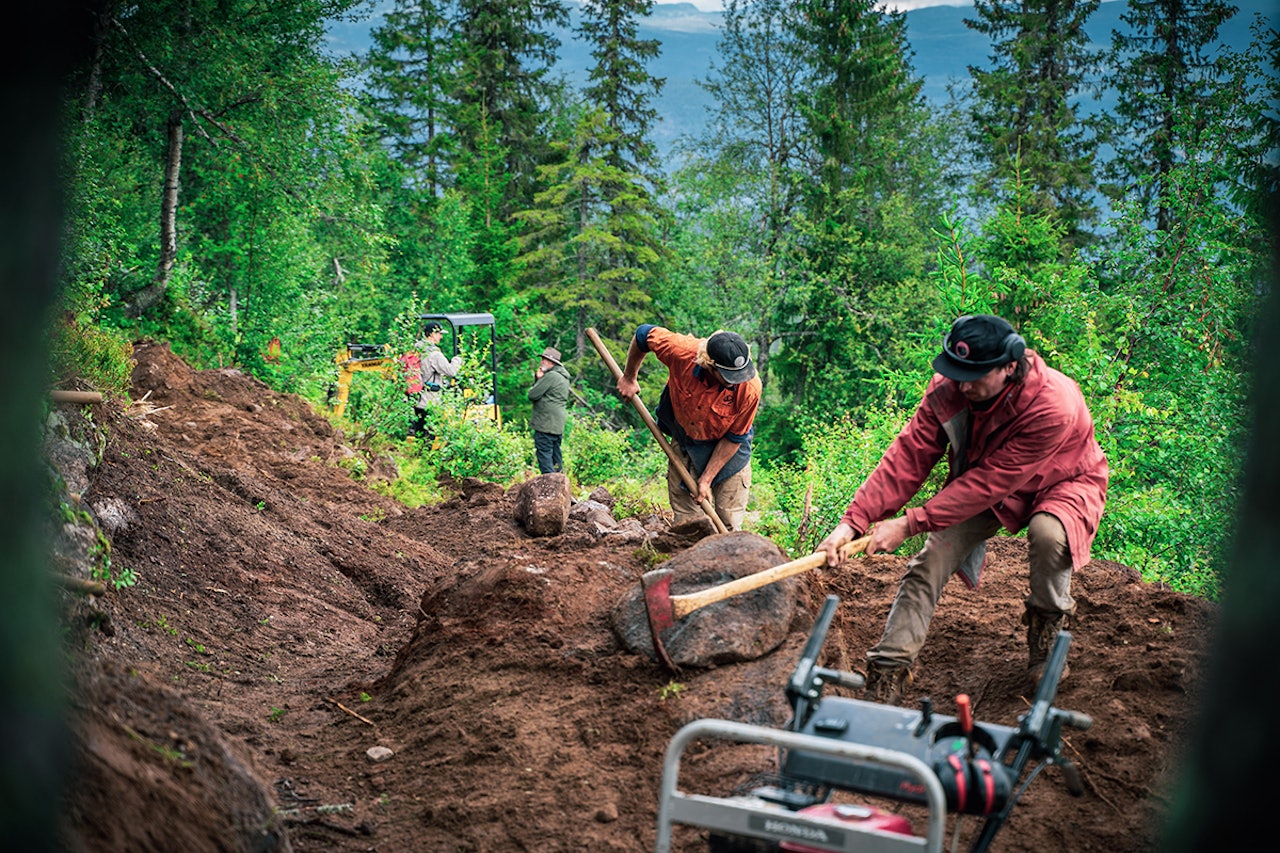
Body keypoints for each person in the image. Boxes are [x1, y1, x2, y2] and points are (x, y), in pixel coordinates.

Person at [817, 314, 1109, 705]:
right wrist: (852, 523)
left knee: (1049, 534)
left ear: (1009, 366)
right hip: (983, 482)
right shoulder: (952, 386)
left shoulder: (1054, 404)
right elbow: (909, 456)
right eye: (957, 373)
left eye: (974, 376)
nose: (964, 385)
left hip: (1062, 479)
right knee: (931, 561)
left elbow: (991, 481)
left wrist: (910, 523)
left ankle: (1046, 634)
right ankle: (888, 672)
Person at [618, 325, 762, 532]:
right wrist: (629, 377)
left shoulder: (750, 387)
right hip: (686, 441)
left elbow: (735, 437)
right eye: (730, 377)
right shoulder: (682, 351)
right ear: (710, 365)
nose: (737, 382)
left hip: (729, 450)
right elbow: (643, 335)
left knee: (728, 523)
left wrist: (706, 479)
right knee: (688, 525)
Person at [410, 321, 462, 437]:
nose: (441, 337)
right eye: (439, 334)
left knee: (418, 434)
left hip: (416, 399)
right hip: (430, 401)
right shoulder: (434, 354)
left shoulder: (415, 349)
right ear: (432, 334)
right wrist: (457, 360)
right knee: (429, 436)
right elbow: (451, 371)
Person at [528, 346, 570, 474]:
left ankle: (550, 484)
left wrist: (538, 379)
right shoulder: (563, 376)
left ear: (552, 362)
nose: (541, 362)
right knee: (555, 457)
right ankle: (560, 482)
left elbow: (533, 394)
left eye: (544, 360)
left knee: (545, 456)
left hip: (545, 423)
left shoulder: (551, 376)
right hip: (556, 424)